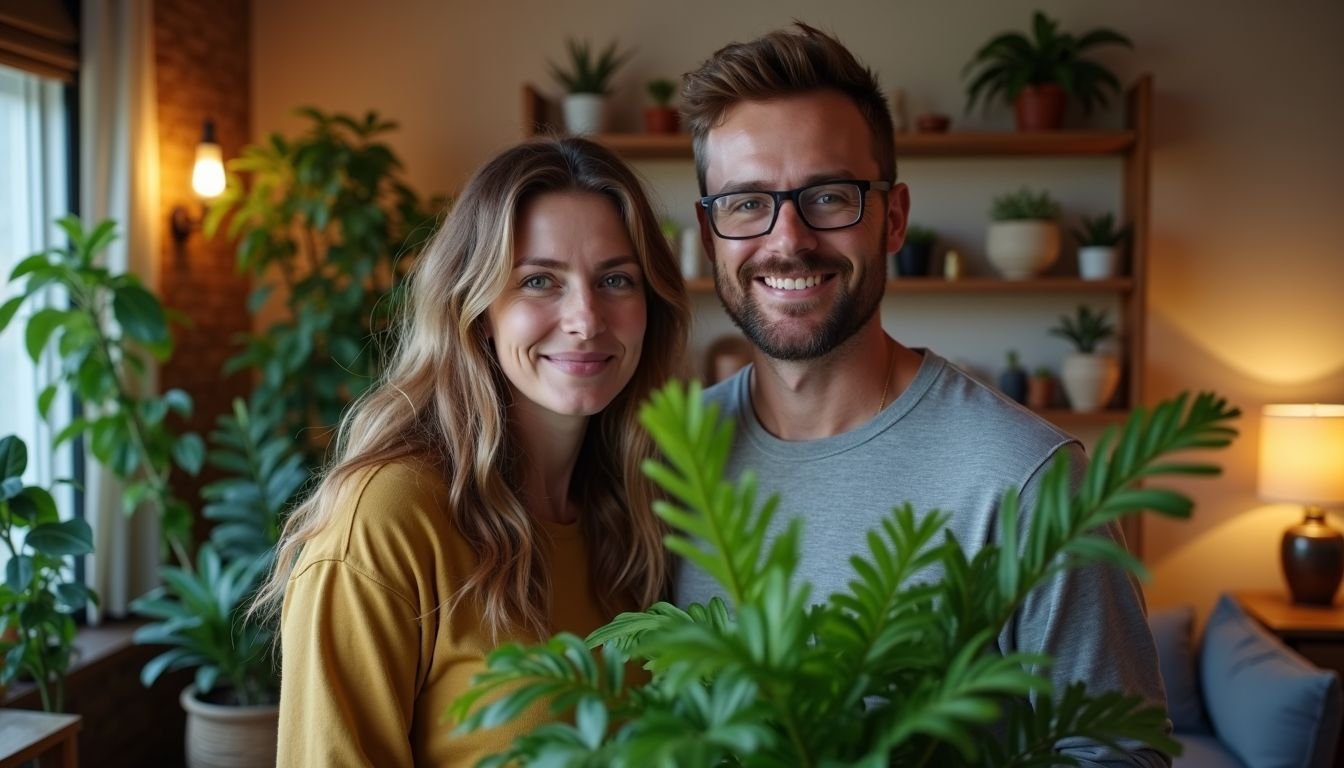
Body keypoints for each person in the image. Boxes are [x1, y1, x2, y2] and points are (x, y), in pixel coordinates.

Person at [675, 23, 1170, 767]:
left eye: (829, 195)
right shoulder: (665, 459)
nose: (788, 238)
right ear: (710, 232)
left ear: (893, 216)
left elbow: (1121, 754)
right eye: (746, 203)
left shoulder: (1027, 478)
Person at [253, 136, 690, 766]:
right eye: (540, 280)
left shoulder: (641, 504)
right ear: (478, 309)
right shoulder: (386, 518)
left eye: (616, 279)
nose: (586, 318)